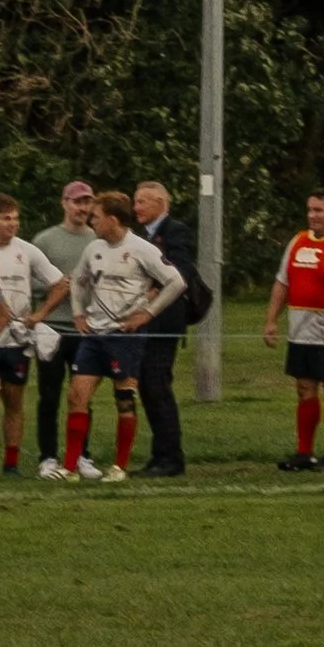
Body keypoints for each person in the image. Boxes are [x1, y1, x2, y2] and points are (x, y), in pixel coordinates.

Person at [59, 189, 178, 484]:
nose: (92, 221)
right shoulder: (94, 248)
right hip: (94, 335)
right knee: (77, 396)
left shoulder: (142, 249)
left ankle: (119, 466)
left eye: (96, 217)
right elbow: (78, 281)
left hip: (125, 336)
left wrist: (147, 313)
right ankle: (70, 466)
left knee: (124, 398)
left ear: (112, 219)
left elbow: (175, 282)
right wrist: (78, 314)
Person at [0, 193, 58, 476]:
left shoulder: (27, 251)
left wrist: (40, 314)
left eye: (16, 218)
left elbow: (59, 283)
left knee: (14, 400)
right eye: (6, 218)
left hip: (17, 340)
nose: (13, 224)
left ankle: (11, 464)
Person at [264, 186, 324, 471]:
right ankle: (304, 452)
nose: (312, 215)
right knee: (304, 388)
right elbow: (282, 282)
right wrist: (271, 320)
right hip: (301, 329)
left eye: (319, 210)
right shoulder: (298, 241)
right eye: (310, 209)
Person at [130, 180, 199, 476]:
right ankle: (160, 455)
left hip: (164, 321)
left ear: (160, 202)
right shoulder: (138, 235)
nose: (136, 208)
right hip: (144, 321)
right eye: (135, 202)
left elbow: (180, 268)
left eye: (142, 202)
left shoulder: (175, 231)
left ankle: (171, 458)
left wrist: (152, 296)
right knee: (147, 386)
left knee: (158, 385)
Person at [29, 180, 95, 477]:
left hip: (84, 329)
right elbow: (30, 280)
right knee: (50, 394)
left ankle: (81, 454)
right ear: (65, 204)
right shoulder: (45, 241)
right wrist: (57, 285)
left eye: (87, 202)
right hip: (52, 328)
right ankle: (48, 456)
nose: (82, 208)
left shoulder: (96, 240)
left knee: (81, 394)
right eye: (77, 202)